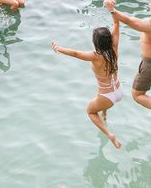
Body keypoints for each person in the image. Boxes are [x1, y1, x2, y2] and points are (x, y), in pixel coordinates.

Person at [51, 17, 123, 149]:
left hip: (107, 96)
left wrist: (58, 48)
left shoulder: (95, 56)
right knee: (99, 95)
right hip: (118, 90)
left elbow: (75, 53)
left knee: (90, 111)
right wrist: (112, 10)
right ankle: (105, 113)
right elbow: (117, 23)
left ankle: (109, 135)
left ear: (96, 43)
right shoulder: (114, 49)